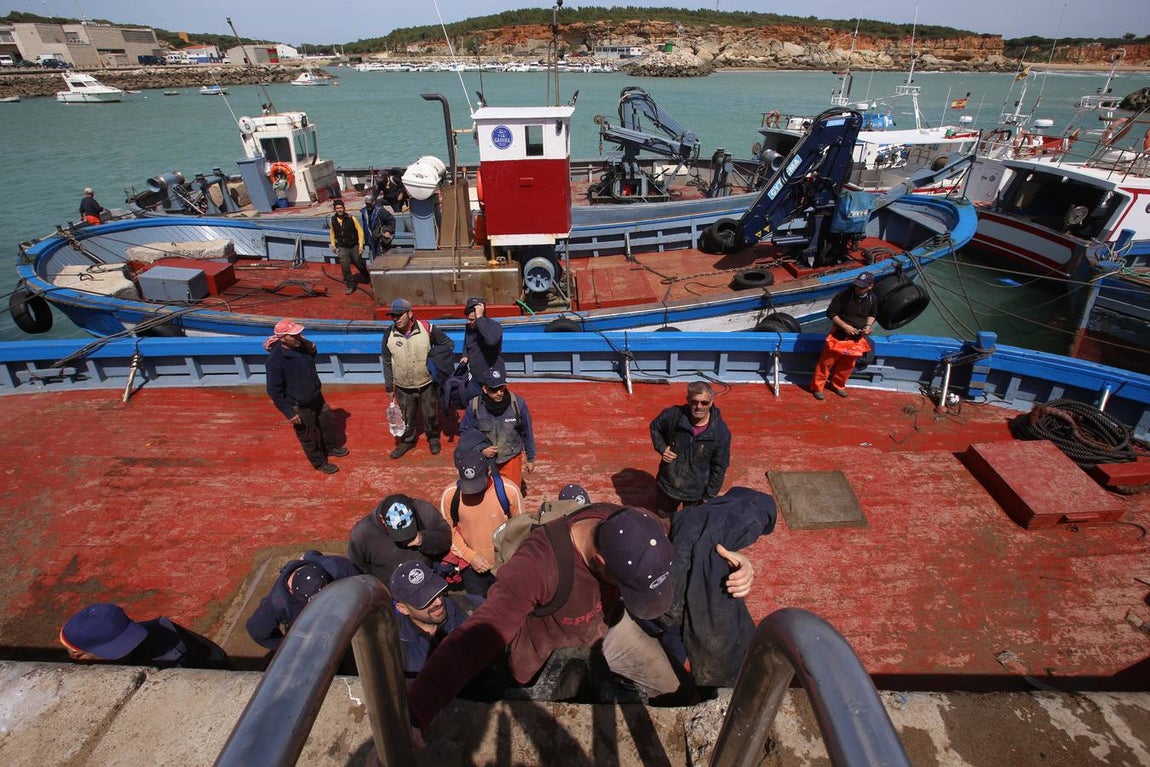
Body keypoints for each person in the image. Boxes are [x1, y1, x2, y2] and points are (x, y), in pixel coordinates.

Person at [406, 504, 756, 735]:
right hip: (548, 651)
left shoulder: (634, 524)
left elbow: (695, 533)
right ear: (602, 562)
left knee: (678, 692)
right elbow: (474, 640)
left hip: (610, 629)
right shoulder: (537, 567)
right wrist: (413, 716)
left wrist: (731, 561)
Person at [265, 319, 348, 474]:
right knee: (308, 435)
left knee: (326, 422)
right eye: (294, 335)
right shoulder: (275, 361)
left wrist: (312, 350)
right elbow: (274, 390)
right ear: (282, 338)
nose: (299, 337)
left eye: (299, 334)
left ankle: (330, 448)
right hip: (298, 403)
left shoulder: (301, 345)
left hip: (316, 395)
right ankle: (320, 462)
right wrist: (289, 412)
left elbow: (310, 358)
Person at [438, 448, 524, 597]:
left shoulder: (509, 491)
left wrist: (510, 560)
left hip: (505, 565)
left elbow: (522, 529)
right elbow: (448, 533)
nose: (473, 492)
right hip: (472, 568)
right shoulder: (450, 495)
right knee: (479, 611)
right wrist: (471, 557)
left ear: (489, 471)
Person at [245, 550, 362, 651]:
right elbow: (256, 630)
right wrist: (289, 645)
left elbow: (361, 587)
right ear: (292, 591)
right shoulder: (276, 604)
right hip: (309, 635)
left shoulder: (337, 567)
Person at [382, 298, 455, 458]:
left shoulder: (427, 328)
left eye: (399, 315)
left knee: (430, 413)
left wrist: (434, 358)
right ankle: (407, 441)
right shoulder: (389, 334)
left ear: (410, 314)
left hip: (427, 383)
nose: (395, 319)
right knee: (407, 415)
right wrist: (389, 386)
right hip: (402, 386)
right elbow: (387, 360)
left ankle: (433, 438)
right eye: (393, 316)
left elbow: (448, 344)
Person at [60, 602, 231, 670]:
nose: (129, 648)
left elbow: (214, 657)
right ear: (80, 656)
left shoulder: (166, 632)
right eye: (117, 646)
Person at [649, 381, 732, 517]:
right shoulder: (673, 415)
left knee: (690, 526)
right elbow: (655, 427)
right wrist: (662, 448)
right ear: (687, 400)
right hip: (668, 486)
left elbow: (719, 467)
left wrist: (709, 496)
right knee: (663, 521)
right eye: (694, 402)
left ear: (711, 402)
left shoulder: (720, 433)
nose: (699, 407)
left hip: (695, 493)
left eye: (704, 403)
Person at [390, 560, 477, 676]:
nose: (438, 602)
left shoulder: (473, 608)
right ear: (403, 609)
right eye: (425, 600)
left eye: (437, 591)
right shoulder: (392, 645)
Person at [459, 361, 536, 489]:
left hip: (510, 459)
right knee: (486, 493)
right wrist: (481, 449)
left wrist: (531, 458)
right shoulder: (474, 406)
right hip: (484, 460)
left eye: (502, 388)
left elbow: (527, 432)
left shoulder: (518, 404)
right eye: (494, 389)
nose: (499, 393)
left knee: (511, 493)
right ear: (485, 389)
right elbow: (465, 434)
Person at [348, 493, 452, 584]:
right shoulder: (362, 534)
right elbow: (357, 569)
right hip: (390, 594)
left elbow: (446, 538)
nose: (405, 540)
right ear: (382, 519)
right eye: (398, 534)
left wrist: (422, 539)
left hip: (426, 584)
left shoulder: (424, 511)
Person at [810, 271, 878, 400]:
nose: (858, 289)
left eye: (862, 286)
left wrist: (868, 327)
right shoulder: (844, 295)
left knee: (847, 365)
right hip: (839, 336)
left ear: (870, 286)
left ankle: (838, 385)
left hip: (856, 339)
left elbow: (872, 314)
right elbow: (830, 313)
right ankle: (817, 388)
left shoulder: (872, 298)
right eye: (857, 285)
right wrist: (845, 326)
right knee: (826, 363)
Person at [459, 297, 503, 401]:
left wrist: (479, 319)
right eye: (467, 318)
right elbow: (467, 343)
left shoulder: (494, 326)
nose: (469, 322)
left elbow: (491, 341)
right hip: (476, 376)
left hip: (492, 375)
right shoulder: (470, 327)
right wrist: (465, 355)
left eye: (472, 320)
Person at [329, 198, 369, 295]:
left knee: (358, 262)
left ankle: (367, 276)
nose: (339, 210)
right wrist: (333, 245)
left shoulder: (351, 218)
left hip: (353, 245)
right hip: (342, 247)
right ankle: (350, 286)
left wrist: (360, 245)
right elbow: (332, 233)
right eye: (337, 208)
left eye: (341, 207)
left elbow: (360, 231)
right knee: (345, 267)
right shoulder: (332, 220)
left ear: (344, 208)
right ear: (334, 209)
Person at [360, 194, 396, 258]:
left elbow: (391, 220)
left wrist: (388, 231)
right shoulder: (364, 212)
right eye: (367, 204)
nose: (368, 205)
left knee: (381, 256)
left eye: (369, 203)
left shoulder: (380, 211)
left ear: (373, 202)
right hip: (370, 238)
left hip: (380, 238)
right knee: (374, 256)